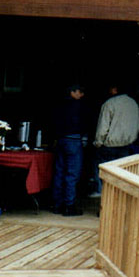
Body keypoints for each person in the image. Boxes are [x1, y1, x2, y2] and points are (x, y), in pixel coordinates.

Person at [91, 83, 139, 197]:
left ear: (114, 89)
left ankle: (105, 201)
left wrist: (98, 142)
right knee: (122, 178)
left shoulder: (109, 103)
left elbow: (103, 127)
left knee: (106, 178)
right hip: (126, 145)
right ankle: (119, 206)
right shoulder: (133, 104)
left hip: (109, 146)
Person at [51, 85, 88, 216]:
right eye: (80, 92)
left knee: (59, 172)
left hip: (61, 140)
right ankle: (69, 206)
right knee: (72, 174)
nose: (82, 95)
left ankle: (57, 204)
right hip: (73, 140)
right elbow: (84, 123)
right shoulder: (78, 106)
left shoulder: (59, 104)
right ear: (72, 92)